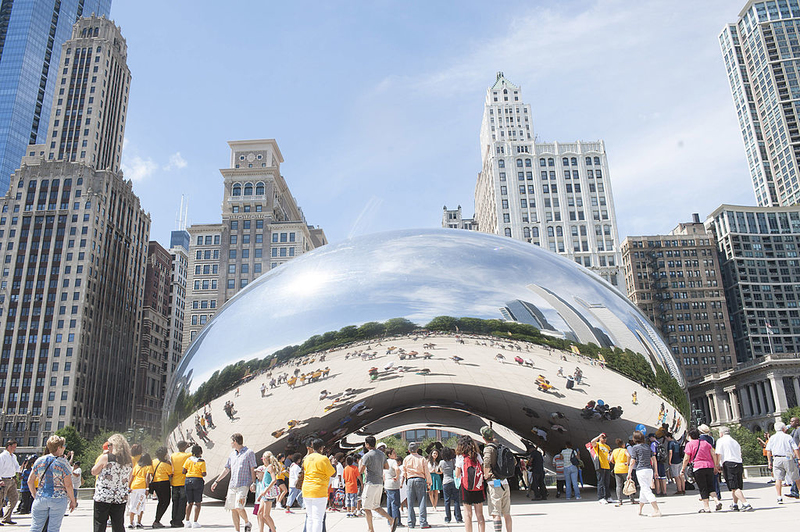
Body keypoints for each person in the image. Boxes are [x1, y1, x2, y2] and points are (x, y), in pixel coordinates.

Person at [28, 435, 77, 532]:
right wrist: (72, 500)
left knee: (35, 527)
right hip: (58, 498)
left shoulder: (40, 460)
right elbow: (68, 485)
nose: (64, 448)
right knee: (53, 528)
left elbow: (30, 481)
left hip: (41, 497)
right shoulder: (63, 463)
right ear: (59, 448)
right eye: (64, 446)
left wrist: (34, 494)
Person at [211, 433, 257, 532]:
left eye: (232, 441)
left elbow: (252, 468)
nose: (231, 443)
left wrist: (254, 483)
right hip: (232, 485)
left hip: (243, 484)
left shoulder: (249, 453)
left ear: (235, 442)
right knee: (232, 508)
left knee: (239, 507)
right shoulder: (232, 454)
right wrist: (217, 481)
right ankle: (237, 530)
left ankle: (247, 522)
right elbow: (227, 469)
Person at [92, 434, 133, 532]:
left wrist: (103, 455)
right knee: (118, 524)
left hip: (104, 495)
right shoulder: (129, 461)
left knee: (100, 523)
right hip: (120, 496)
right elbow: (129, 477)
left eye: (109, 444)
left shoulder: (106, 458)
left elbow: (94, 471)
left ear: (114, 445)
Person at [359, 436, 397, 532]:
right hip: (379, 483)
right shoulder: (381, 454)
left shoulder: (367, 456)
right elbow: (386, 466)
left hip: (370, 483)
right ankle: (391, 519)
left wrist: (361, 463)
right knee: (376, 506)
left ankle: (370, 529)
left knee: (366, 507)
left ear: (367, 444)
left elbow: (361, 471)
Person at [714, 426, 753, 511]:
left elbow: (718, 454)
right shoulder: (735, 442)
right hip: (738, 463)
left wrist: (717, 465)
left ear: (721, 433)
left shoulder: (721, 441)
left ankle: (745, 503)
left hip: (728, 464)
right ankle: (735, 504)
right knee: (736, 486)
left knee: (734, 486)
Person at [481, 426, 512, 532]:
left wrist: (486, 475)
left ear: (483, 437)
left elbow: (487, 463)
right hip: (505, 482)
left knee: (496, 512)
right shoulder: (501, 447)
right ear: (493, 435)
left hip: (495, 482)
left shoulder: (489, 449)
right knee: (507, 513)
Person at [301, 438, 336, 532]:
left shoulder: (307, 458)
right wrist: (333, 464)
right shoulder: (323, 459)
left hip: (307, 489)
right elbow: (333, 473)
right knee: (318, 519)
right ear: (321, 448)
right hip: (319, 490)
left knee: (310, 518)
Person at [681, 428, 717, 513]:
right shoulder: (706, 443)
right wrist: (715, 465)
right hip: (709, 466)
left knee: (703, 487)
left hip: (698, 467)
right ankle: (716, 501)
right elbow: (713, 454)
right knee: (710, 486)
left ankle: (706, 507)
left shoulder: (690, 444)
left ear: (690, 436)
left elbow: (686, 458)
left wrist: (683, 469)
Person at [455, 436, 485, 532]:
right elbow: (483, 469)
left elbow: (457, 474)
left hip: (466, 486)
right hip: (478, 486)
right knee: (479, 514)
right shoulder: (477, 455)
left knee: (468, 514)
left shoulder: (460, 457)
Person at [627, 431, 661, 517]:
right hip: (649, 470)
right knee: (643, 489)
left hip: (641, 470)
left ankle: (656, 510)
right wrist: (656, 471)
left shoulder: (635, 447)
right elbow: (654, 460)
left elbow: (632, 461)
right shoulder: (647, 447)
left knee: (646, 490)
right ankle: (640, 509)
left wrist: (629, 472)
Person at [765, 421, 800, 504]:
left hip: (777, 458)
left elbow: (768, 451)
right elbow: (795, 448)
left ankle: (779, 497)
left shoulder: (772, 438)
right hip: (788, 457)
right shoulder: (788, 437)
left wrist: (769, 461)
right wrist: (798, 459)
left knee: (778, 479)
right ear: (784, 428)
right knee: (796, 477)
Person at [402, 442, 431, 529]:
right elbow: (426, 471)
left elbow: (404, 471)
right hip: (420, 479)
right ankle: (423, 522)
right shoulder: (422, 459)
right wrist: (429, 482)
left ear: (408, 450)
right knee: (422, 501)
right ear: (417, 449)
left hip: (410, 480)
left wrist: (406, 479)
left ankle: (411, 522)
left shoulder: (406, 459)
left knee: (410, 502)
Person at [255, 452, 280, 532]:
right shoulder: (268, 467)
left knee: (266, 515)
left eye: (263, 459)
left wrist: (266, 490)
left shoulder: (270, 467)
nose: (262, 460)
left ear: (266, 459)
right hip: (264, 494)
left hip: (267, 494)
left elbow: (274, 480)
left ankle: (273, 529)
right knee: (260, 513)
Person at [170, 441, 192, 528]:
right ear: (184, 447)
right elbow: (195, 452)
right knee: (182, 502)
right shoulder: (187, 455)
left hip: (174, 482)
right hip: (183, 482)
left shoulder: (173, 455)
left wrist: (186, 445)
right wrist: (190, 445)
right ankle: (179, 521)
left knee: (175, 502)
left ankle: (173, 519)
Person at [183, 445, 206, 528]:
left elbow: (183, 471)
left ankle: (187, 521)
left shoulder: (188, 460)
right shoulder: (201, 461)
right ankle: (195, 522)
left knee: (189, 502)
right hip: (197, 480)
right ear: (200, 452)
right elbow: (204, 473)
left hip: (188, 480)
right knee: (197, 502)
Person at [150, 447, 174, 529]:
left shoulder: (153, 462)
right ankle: (157, 520)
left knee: (161, 501)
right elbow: (170, 474)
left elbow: (151, 472)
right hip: (164, 483)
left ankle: (157, 520)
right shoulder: (166, 464)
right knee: (166, 501)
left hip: (155, 483)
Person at [128, 453, 154, 528]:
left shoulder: (136, 466)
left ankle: (131, 522)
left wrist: (129, 487)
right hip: (142, 487)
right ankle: (138, 522)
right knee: (140, 504)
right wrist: (147, 488)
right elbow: (147, 478)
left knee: (132, 504)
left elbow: (131, 477)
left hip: (134, 486)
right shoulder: (148, 467)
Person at [439, 447, 462, 524]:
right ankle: (458, 518)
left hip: (446, 482)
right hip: (454, 482)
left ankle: (448, 518)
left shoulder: (441, 462)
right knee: (456, 500)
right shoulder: (454, 461)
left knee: (447, 501)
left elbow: (440, 471)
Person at [0, 439, 20, 525]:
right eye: (13, 447)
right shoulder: (2, 456)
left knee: (14, 498)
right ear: (9, 446)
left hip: (11, 479)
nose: (15, 448)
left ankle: (7, 517)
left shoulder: (13, 456)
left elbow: (16, 467)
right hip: (4, 479)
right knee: (1, 500)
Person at [590, 432, 612, 503]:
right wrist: (598, 436)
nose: (605, 439)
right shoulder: (597, 445)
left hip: (607, 466)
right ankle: (601, 497)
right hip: (600, 466)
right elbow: (592, 442)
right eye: (603, 438)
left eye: (605, 438)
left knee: (607, 482)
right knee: (601, 482)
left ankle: (608, 497)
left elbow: (610, 455)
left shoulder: (607, 447)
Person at [609, 438, 633, 506]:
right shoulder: (624, 450)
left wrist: (615, 463)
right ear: (623, 445)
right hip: (624, 468)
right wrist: (627, 462)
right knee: (628, 483)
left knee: (618, 486)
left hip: (617, 469)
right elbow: (629, 455)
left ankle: (620, 500)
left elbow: (611, 459)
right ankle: (631, 499)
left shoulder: (614, 450)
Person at [384, 447, 403, 527]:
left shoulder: (386, 462)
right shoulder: (393, 462)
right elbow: (397, 469)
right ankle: (396, 522)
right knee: (395, 504)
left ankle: (390, 520)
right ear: (389, 455)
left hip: (387, 484)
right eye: (394, 453)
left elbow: (384, 474)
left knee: (389, 504)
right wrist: (397, 477)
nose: (395, 454)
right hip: (393, 485)